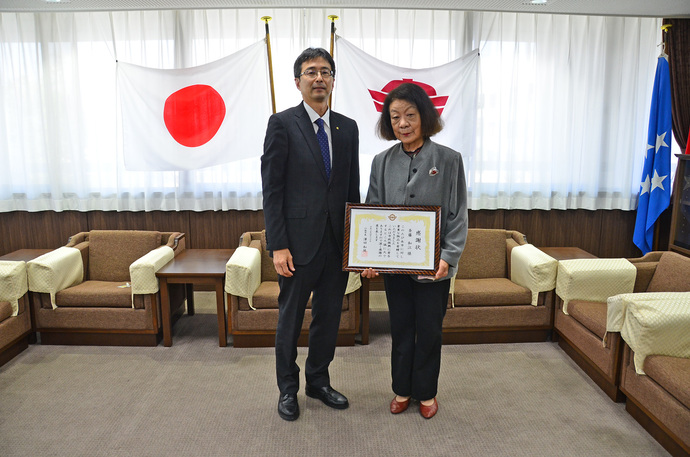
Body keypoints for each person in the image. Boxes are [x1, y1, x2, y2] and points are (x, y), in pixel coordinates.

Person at [261, 47, 360, 422]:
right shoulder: (282, 123)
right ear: (298, 81)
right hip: (297, 246)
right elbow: (272, 190)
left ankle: (318, 380)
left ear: (333, 79)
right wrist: (278, 245)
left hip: (336, 244)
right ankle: (287, 388)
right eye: (310, 72)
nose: (319, 78)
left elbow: (352, 190)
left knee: (329, 317)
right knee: (289, 319)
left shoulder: (347, 127)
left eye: (325, 71)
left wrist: (356, 245)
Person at [361, 82, 468, 419]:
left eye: (409, 115)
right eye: (395, 117)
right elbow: (372, 211)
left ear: (424, 116)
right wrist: (368, 258)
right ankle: (402, 389)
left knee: (430, 331)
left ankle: (426, 393)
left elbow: (457, 213)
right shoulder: (381, 161)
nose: (402, 123)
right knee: (402, 328)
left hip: (433, 267)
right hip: (395, 267)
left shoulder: (449, 160)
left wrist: (448, 258)